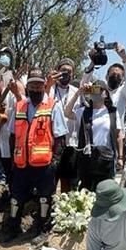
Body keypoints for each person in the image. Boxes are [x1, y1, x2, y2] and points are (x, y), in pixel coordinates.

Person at [4, 68, 68, 243]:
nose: (36, 89)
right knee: (16, 198)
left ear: (44, 85)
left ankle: (42, 229)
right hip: (21, 163)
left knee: (44, 198)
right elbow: (12, 135)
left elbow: (60, 138)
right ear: (27, 87)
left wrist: (55, 162)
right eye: (32, 85)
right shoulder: (19, 106)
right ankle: (13, 228)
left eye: (39, 85)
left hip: (44, 164)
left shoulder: (53, 106)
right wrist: (12, 160)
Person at [66, 78, 121, 191]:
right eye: (93, 90)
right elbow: (67, 113)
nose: (95, 93)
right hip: (87, 159)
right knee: (86, 190)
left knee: (104, 190)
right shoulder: (83, 111)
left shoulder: (112, 112)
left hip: (106, 158)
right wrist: (78, 93)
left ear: (105, 93)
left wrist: (120, 157)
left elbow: (119, 135)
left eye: (98, 90)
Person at [50, 58, 80, 192]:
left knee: (67, 181)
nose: (66, 74)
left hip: (71, 142)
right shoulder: (50, 89)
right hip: (52, 142)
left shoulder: (76, 92)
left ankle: (65, 209)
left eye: (69, 72)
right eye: (63, 71)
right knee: (51, 179)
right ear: (57, 72)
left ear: (73, 75)